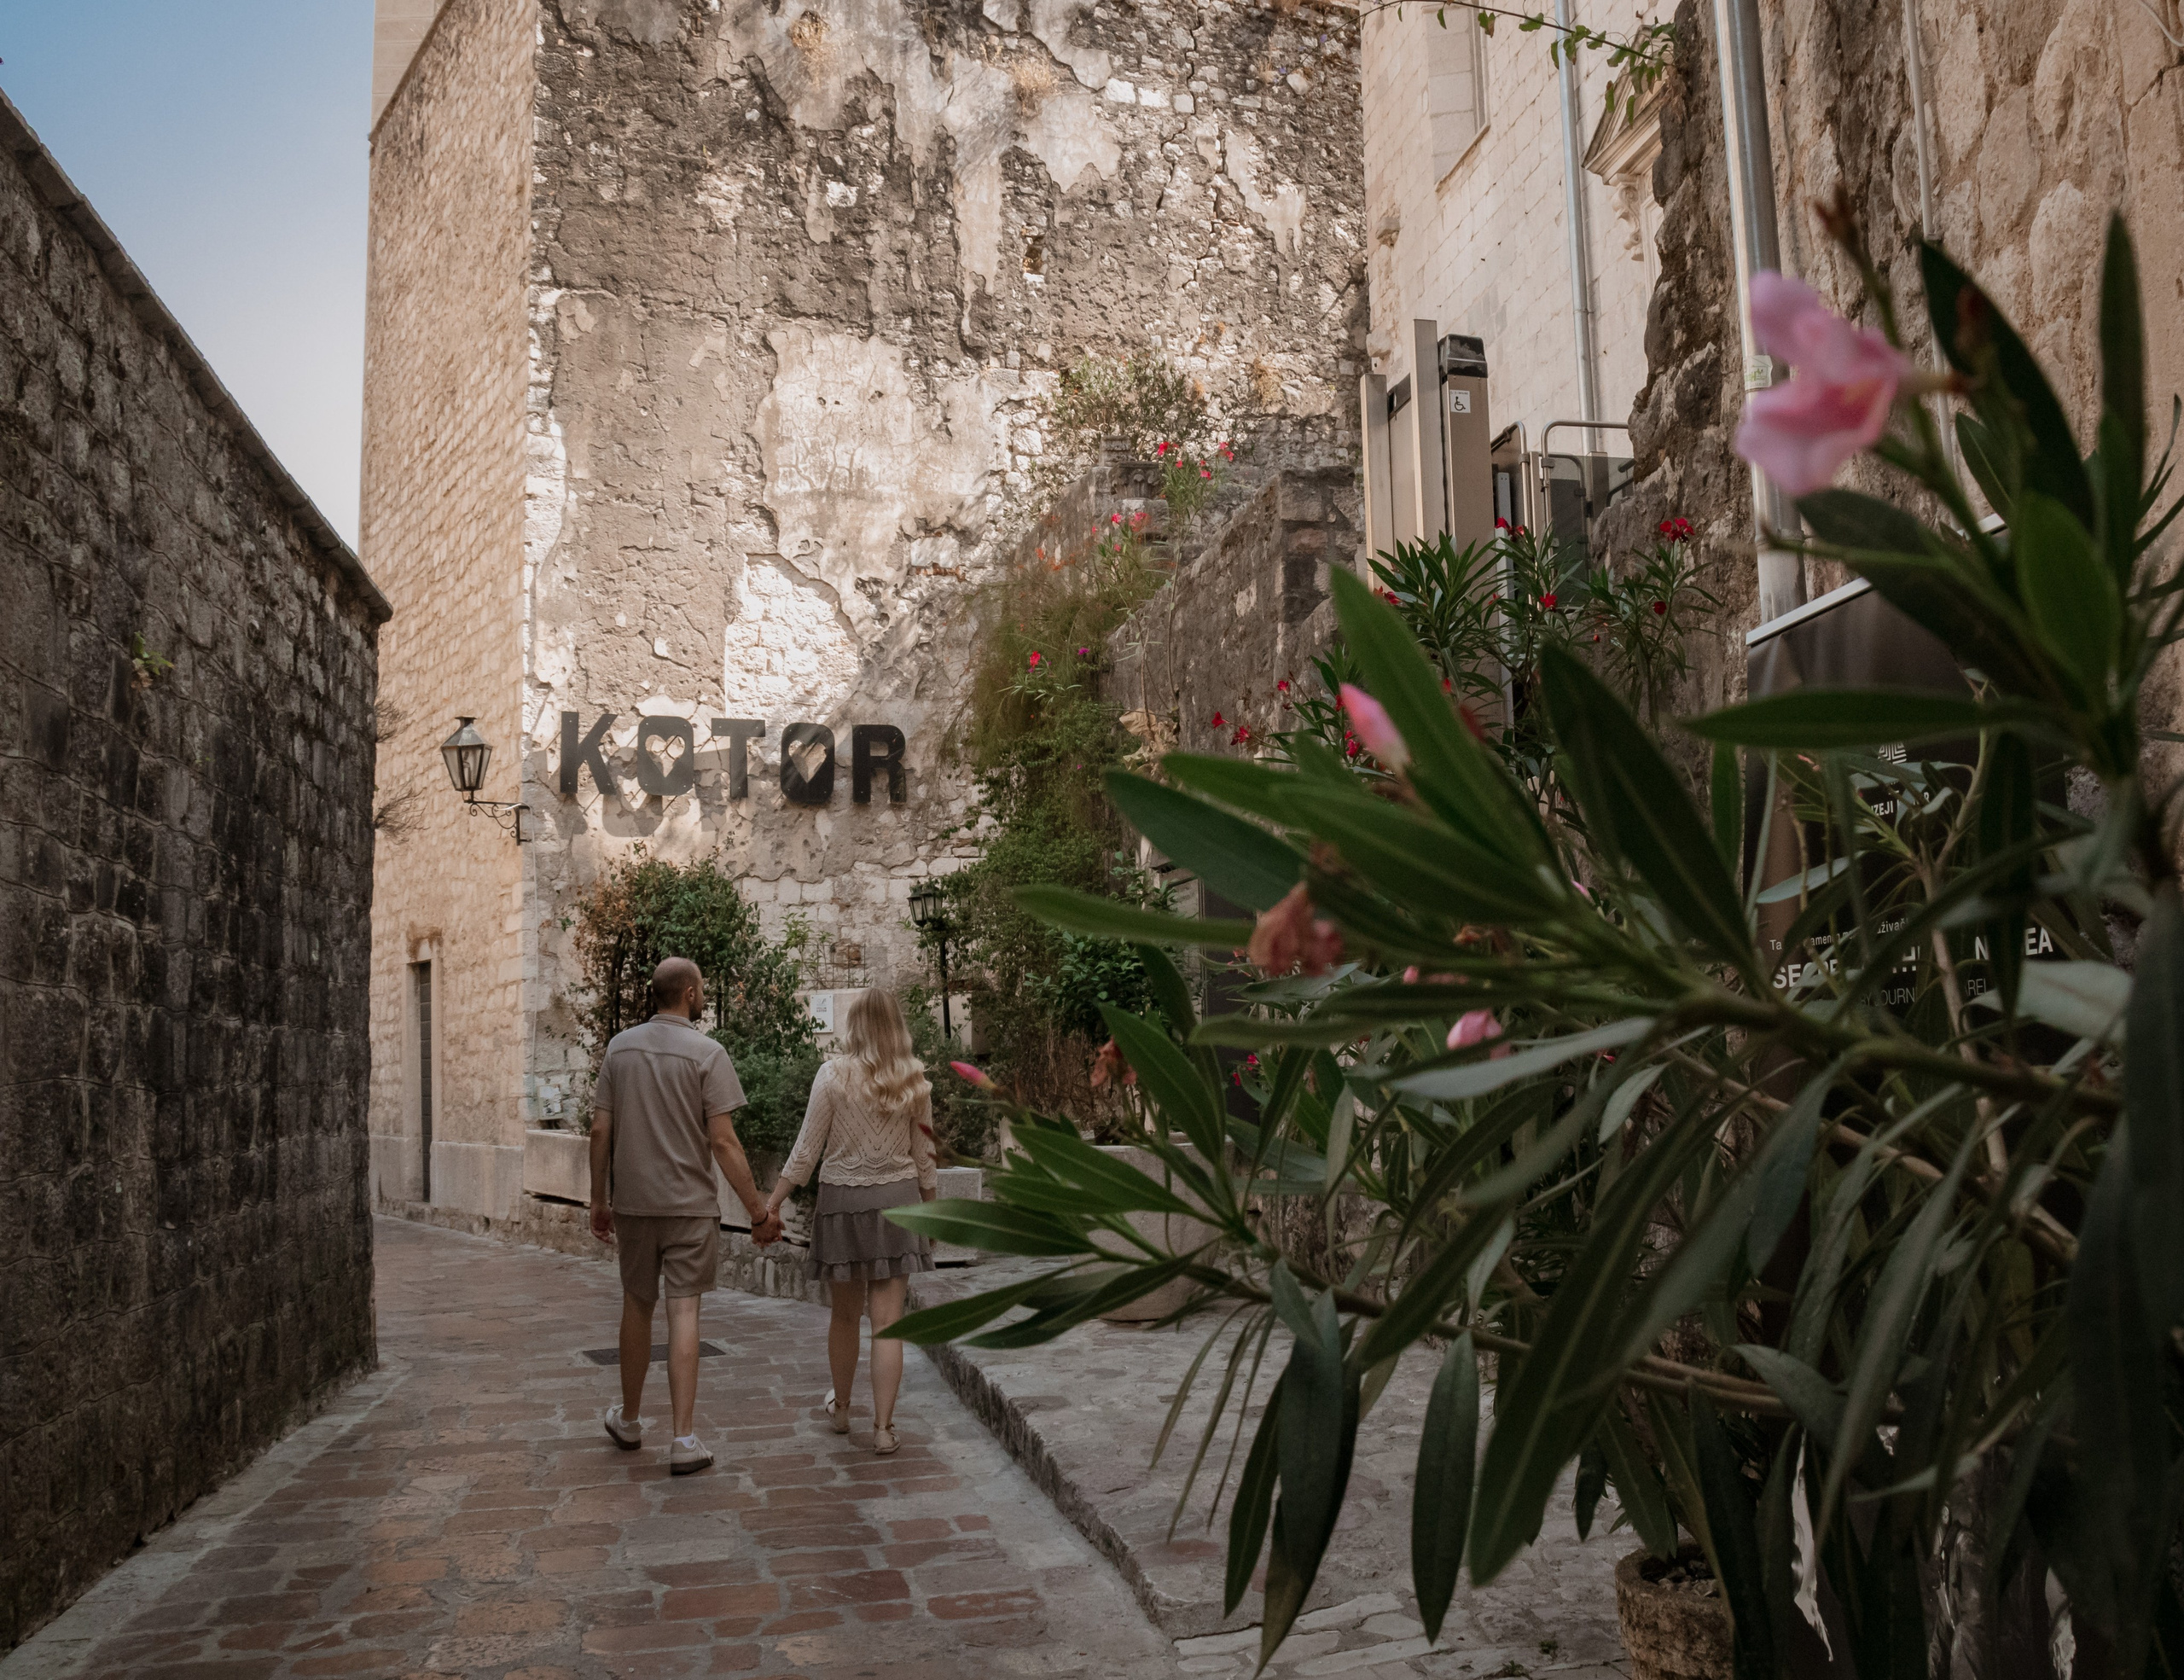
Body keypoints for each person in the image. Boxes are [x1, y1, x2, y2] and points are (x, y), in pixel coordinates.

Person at [590, 956, 783, 1475]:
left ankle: (629, 1421)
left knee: (636, 1307)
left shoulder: (619, 1049)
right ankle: (683, 1439)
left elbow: (600, 1132)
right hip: (691, 1209)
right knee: (684, 1313)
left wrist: (598, 1201)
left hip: (633, 1204)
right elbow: (723, 1141)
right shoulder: (707, 1053)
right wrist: (758, 1210)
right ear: (691, 993)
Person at [763, 988, 938, 1456]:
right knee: (888, 1323)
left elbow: (806, 1151)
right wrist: (936, 1214)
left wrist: (773, 1203)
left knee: (843, 1316)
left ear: (856, 1025)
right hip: (900, 1206)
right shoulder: (913, 1079)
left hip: (842, 1204)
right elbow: (925, 1158)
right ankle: (883, 1429)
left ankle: (842, 1410)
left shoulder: (832, 1075)